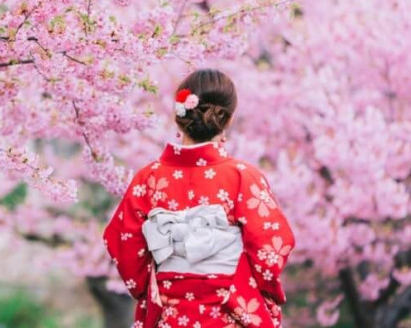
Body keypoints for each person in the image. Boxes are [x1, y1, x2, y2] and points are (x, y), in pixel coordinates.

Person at [103, 69, 295, 328]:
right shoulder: (243, 177)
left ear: (179, 116)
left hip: (170, 315)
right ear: (227, 119)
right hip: (229, 312)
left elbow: (123, 245)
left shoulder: (147, 179)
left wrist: (156, 288)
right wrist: (242, 287)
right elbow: (271, 245)